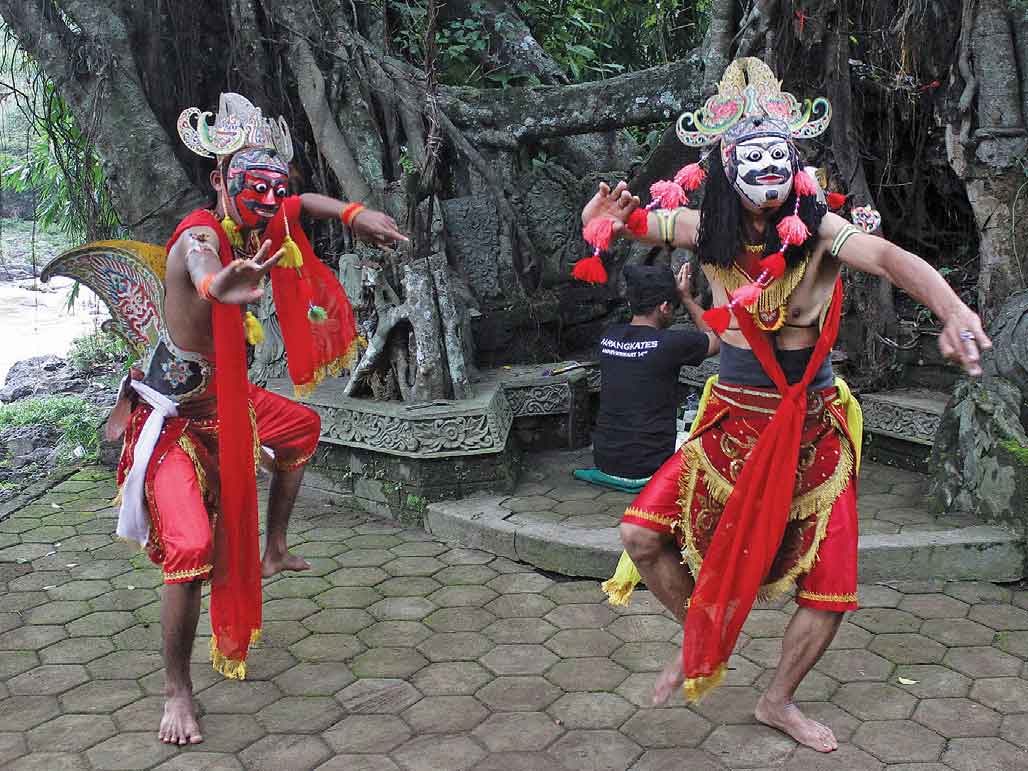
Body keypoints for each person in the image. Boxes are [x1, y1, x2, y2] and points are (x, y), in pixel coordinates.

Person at [580, 58, 991, 753]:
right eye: (752, 154)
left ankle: (778, 699)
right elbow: (625, 227)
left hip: (812, 429)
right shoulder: (698, 230)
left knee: (829, 588)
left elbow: (891, 261)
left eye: (780, 154)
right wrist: (597, 223)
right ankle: (701, 634)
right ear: (723, 161)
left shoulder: (823, 229)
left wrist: (950, 304)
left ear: (795, 162)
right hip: (731, 420)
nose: (768, 169)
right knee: (640, 536)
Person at [96, 94, 406, 745]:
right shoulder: (202, 234)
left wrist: (354, 213)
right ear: (218, 178)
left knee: (300, 429)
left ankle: (276, 545)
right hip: (175, 422)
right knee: (191, 550)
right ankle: (176, 689)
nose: (269, 198)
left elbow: (302, 205)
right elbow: (203, 263)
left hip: (229, 407)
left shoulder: (261, 219)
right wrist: (220, 283)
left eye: (274, 184)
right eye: (252, 183)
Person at [591, 263, 719, 484]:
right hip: (650, 464)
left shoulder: (608, 337)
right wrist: (687, 298)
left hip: (605, 459)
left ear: (632, 303)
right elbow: (718, 337)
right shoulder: (670, 343)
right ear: (665, 307)